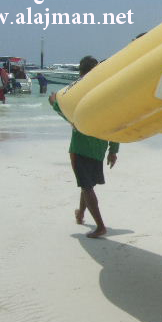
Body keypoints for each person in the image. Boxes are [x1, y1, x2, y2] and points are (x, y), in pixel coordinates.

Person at [48, 55, 120, 238]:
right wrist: (113, 150)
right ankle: (80, 214)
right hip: (99, 148)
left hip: (80, 148)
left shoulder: (78, 92)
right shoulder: (105, 93)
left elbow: (61, 107)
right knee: (87, 184)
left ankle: (100, 226)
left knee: (87, 187)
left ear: (80, 73)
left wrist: (55, 103)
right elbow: (114, 121)